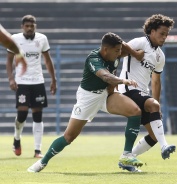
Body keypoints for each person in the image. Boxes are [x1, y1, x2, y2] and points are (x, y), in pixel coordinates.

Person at [27, 32, 145, 173]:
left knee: (135, 111)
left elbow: (126, 46)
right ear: (106, 49)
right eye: (117, 51)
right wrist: (122, 80)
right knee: (69, 137)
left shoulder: (115, 52)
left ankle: (126, 156)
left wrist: (136, 53)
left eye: (120, 50)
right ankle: (42, 162)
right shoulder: (93, 58)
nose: (120, 53)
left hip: (106, 95)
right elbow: (105, 76)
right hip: (88, 98)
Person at [117, 14, 176, 172]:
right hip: (128, 89)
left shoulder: (160, 56)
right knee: (153, 111)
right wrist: (134, 53)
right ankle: (165, 146)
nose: (164, 38)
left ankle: (127, 158)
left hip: (142, 93)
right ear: (151, 31)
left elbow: (156, 81)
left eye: (166, 35)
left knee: (154, 135)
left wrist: (156, 107)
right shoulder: (139, 42)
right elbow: (119, 48)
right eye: (162, 33)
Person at [6, 15, 57, 158]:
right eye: (27, 26)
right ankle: (17, 138)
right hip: (22, 81)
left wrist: (53, 79)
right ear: (22, 27)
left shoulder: (42, 39)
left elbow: (47, 60)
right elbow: (9, 61)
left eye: (32, 26)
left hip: (38, 81)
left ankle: (37, 150)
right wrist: (11, 79)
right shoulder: (15, 39)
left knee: (38, 115)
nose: (29, 28)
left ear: (35, 26)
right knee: (22, 114)